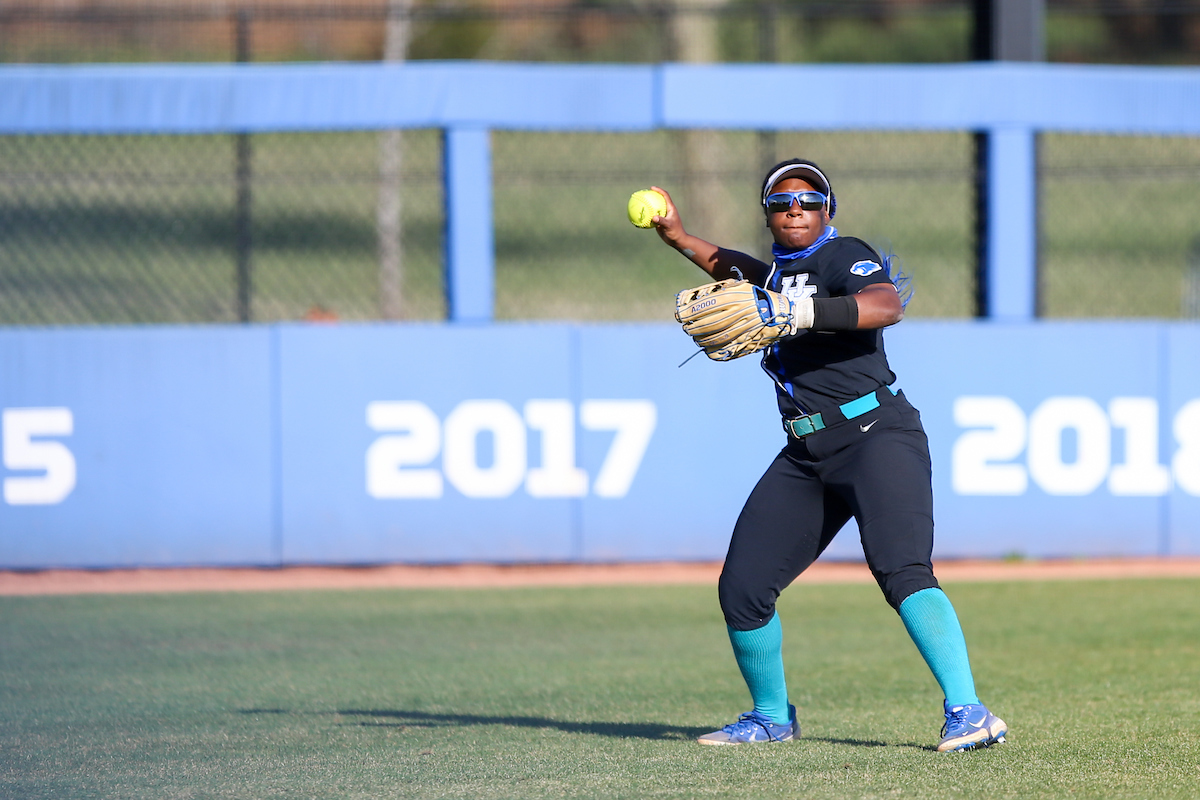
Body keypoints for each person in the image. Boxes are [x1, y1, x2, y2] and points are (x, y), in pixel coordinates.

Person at [647, 159, 1007, 753]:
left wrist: (801, 313)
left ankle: (970, 712)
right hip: (807, 451)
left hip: (877, 433)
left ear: (828, 211)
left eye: (809, 201)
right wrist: (680, 237)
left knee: (902, 571)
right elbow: (735, 267)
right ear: (767, 214)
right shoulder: (775, 279)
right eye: (782, 202)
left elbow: (884, 304)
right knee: (743, 587)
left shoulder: (842, 256)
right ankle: (771, 718)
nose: (796, 210)